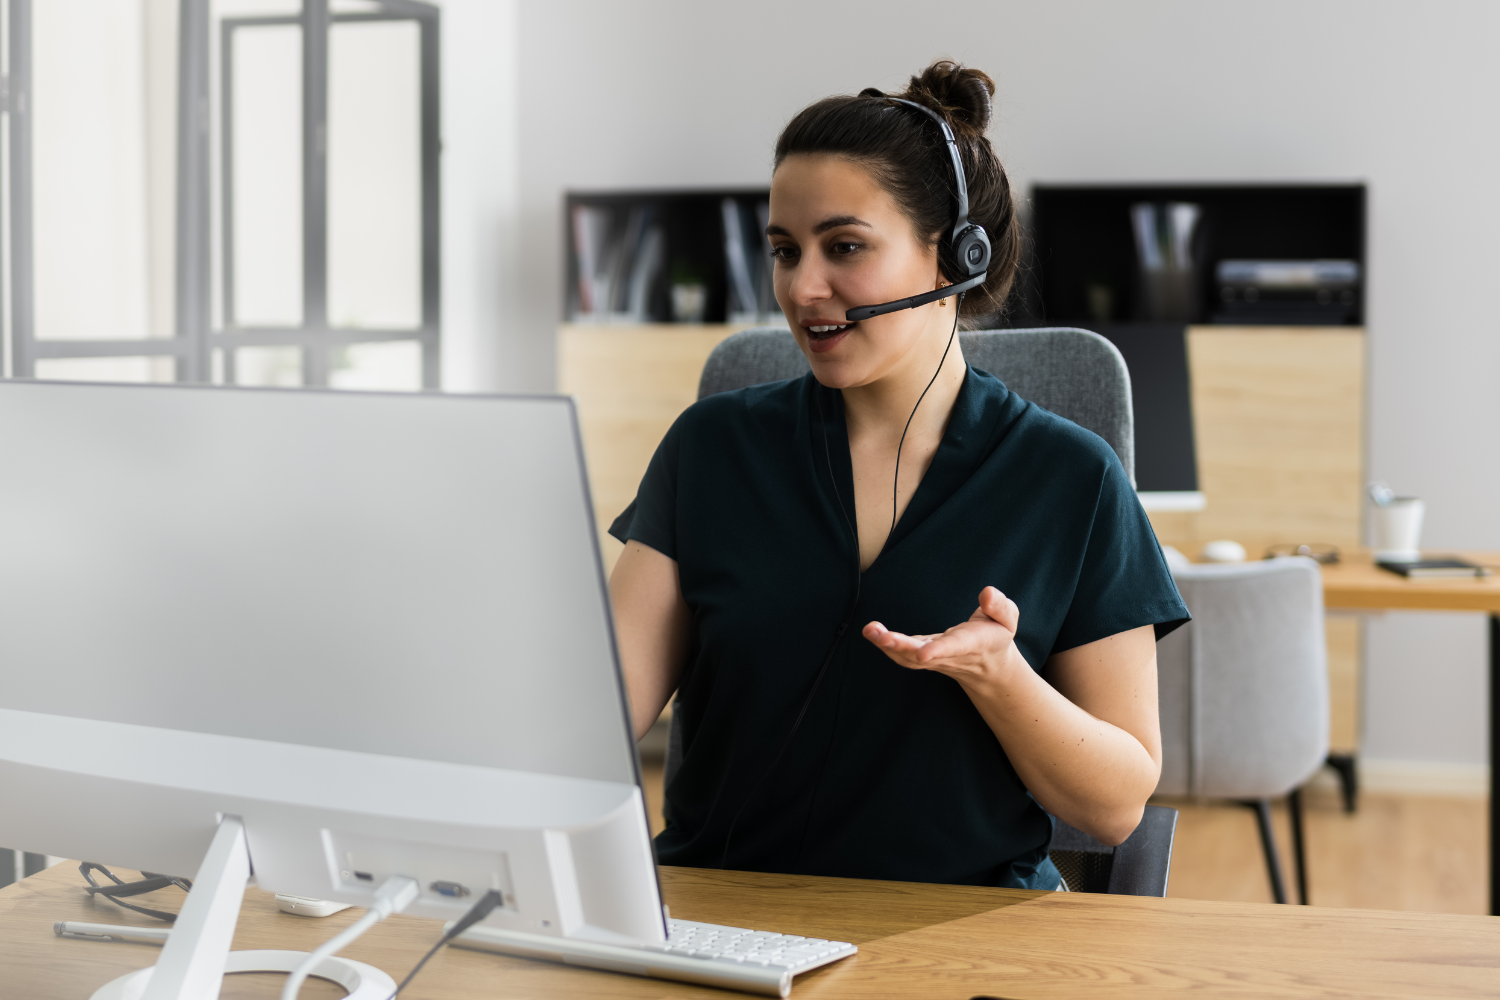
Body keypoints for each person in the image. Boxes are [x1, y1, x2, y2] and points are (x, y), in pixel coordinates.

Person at [608, 60, 1189, 890]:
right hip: (721, 924)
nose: (804, 288)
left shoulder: (1070, 480)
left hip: (958, 932)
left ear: (957, 256)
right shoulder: (711, 451)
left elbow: (1114, 807)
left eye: (844, 246)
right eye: (784, 251)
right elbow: (595, 724)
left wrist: (998, 673)